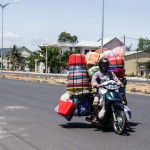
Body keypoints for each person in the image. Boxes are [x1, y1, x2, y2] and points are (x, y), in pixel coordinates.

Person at [91, 58, 122, 124]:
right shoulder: (96, 74)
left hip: (110, 91)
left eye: (106, 64)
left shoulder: (111, 73)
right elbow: (93, 82)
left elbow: (117, 80)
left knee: (121, 99)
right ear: (100, 65)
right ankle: (96, 117)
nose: (104, 66)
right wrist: (96, 85)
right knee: (95, 103)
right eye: (103, 64)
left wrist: (120, 83)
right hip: (99, 92)